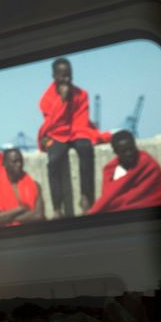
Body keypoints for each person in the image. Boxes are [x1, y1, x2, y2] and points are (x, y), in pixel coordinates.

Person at [38, 58, 111, 217]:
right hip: (57, 133)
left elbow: (81, 120)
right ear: (54, 76)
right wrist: (62, 101)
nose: (67, 79)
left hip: (78, 130)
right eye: (63, 76)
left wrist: (78, 134)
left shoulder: (82, 94)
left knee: (86, 149)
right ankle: (57, 206)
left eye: (69, 75)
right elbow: (51, 124)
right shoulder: (46, 99)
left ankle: (86, 198)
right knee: (54, 159)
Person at [88, 130, 161, 214]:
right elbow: (107, 197)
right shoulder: (110, 170)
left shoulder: (147, 164)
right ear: (116, 152)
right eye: (124, 151)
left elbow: (160, 194)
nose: (129, 153)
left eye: (131, 149)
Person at [0, 148, 44, 226]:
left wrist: (6, 218)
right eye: (14, 162)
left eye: (20, 161)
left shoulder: (35, 185)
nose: (19, 164)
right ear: (4, 164)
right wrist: (19, 210)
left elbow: (38, 215)